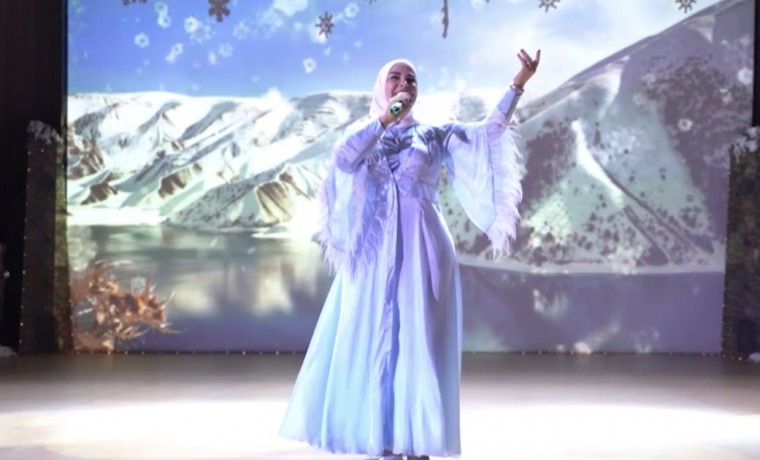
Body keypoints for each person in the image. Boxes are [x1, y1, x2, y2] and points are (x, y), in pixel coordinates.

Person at [280, 50, 541, 460]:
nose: (404, 85)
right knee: (370, 339)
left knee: (420, 341)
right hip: (372, 253)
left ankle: (417, 440)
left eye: (412, 80)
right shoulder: (367, 133)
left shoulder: (433, 134)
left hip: (423, 247)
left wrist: (518, 84)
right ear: (381, 87)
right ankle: (380, 438)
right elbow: (343, 161)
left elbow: (488, 132)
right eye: (396, 78)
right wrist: (384, 120)